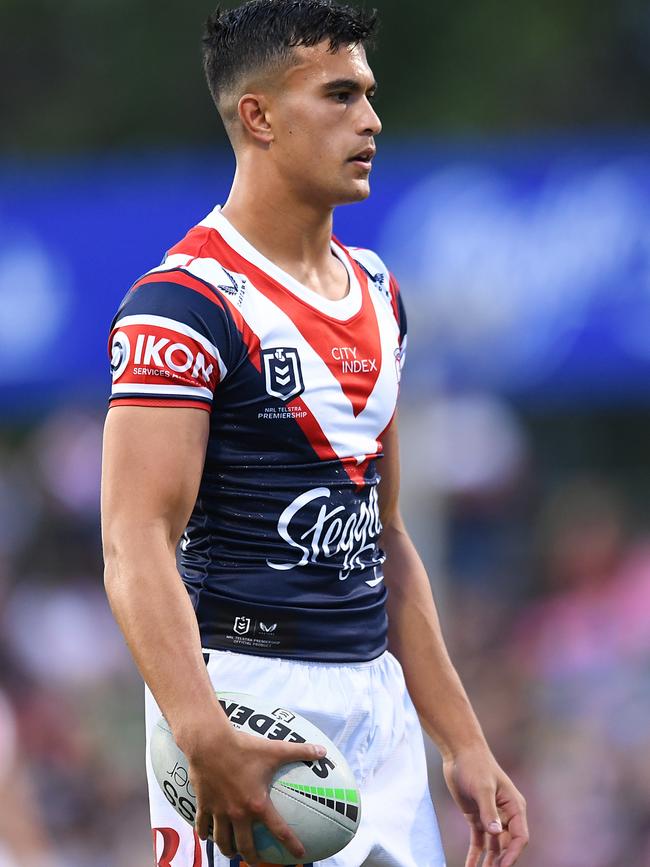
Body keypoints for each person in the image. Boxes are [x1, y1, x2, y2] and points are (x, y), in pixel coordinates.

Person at [101, 2, 529, 865]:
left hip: (379, 703)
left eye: (368, 93)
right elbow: (134, 538)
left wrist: (463, 739)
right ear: (257, 116)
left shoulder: (379, 293)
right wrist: (198, 726)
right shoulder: (184, 304)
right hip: (246, 696)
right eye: (338, 95)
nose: (370, 119)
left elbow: (387, 537)